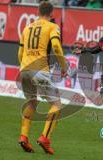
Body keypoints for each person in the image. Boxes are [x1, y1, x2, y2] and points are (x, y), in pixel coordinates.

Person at [18, 1, 67, 155]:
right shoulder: (52, 27)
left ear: (37, 12)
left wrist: (24, 67)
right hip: (39, 69)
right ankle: (45, 138)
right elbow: (57, 47)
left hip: (24, 69)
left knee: (31, 102)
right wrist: (63, 66)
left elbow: (20, 53)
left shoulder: (27, 28)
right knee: (56, 104)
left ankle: (24, 137)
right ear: (52, 14)